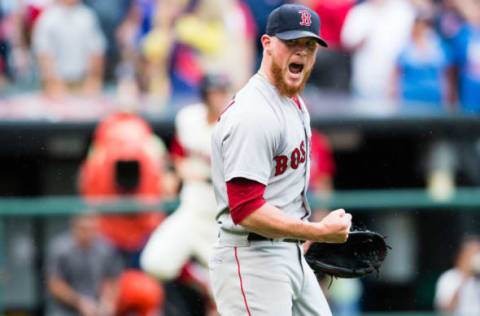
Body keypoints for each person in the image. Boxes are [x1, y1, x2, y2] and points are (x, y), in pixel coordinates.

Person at [209, 4, 352, 316]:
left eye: (309, 45)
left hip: (288, 252)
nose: (301, 53)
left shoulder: (293, 103)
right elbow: (245, 209)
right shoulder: (253, 113)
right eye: (292, 43)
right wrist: (318, 232)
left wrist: (302, 237)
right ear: (267, 44)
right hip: (252, 259)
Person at [140, 73, 231, 315]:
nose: (221, 97)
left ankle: (211, 287)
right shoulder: (189, 119)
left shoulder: (235, 126)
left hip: (221, 220)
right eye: (216, 91)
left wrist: (201, 175)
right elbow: (177, 155)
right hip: (191, 209)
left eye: (224, 91)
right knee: (155, 262)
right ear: (205, 94)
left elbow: (237, 176)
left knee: (229, 297)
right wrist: (172, 174)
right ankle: (202, 279)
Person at [45, 212, 124, 316]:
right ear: (74, 228)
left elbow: (112, 280)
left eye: (92, 229)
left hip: (96, 308)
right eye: (83, 229)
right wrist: (80, 303)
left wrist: (107, 302)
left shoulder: (106, 248)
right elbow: (54, 284)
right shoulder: (59, 248)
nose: (88, 233)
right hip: (65, 309)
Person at [32, 0, 106, 97]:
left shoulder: (87, 16)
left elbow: (97, 51)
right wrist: (52, 81)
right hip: (55, 84)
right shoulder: (47, 18)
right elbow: (43, 53)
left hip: (83, 82)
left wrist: (93, 79)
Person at [434, 235, 480, 315]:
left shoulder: (477, 278)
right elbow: (445, 309)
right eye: (474, 253)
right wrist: (465, 278)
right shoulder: (449, 277)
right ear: (462, 255)